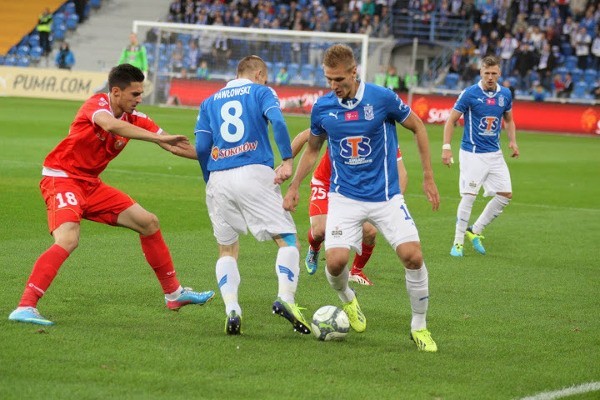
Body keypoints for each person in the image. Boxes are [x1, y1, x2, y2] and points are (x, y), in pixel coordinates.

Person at [7, 64, 214, 327]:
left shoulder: (136, 117)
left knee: (148, 222)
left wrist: (220, 157)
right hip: (62, 179)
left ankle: (174, 294)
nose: (139, 100)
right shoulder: (97, 105)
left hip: (90, 184)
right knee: (68, 239)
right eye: (135, 94)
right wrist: (155, 138)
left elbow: (174, 145)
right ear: (116, 92)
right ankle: (25, 306)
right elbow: (112, 126)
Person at [284, 44, 440, 352]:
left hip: (385, 197)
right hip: (344, 198)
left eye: (339, 79)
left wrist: (428, 176)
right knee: (336, 264)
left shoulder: (381, 99)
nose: (334, 86)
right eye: (329, 79)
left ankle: (419, 326)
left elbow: (418, 127)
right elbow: (313, 148)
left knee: (414, 256)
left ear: (354, 72)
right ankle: (348, 300)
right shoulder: (323, 107)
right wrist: (293, 186)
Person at [194, 55, 310, 336]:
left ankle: (232, 308)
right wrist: (287, 160)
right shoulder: (261, 91)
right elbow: (278, 122)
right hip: (254, 171)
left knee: (227, 249)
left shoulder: (210, 101)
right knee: (287, 239)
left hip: (218, 176)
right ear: (258, 74)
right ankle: (287, 298)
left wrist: (210, 178)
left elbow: (201, 146)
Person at [290, 129, 408, 286]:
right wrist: (286, 162)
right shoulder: (338, 120)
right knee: (320, 232)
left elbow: (402, 173)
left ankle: (356, 271)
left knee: (370, 231)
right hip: (326, 183)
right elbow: (304, 136)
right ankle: (314, 247)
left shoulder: (383, 133)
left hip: (356, 189)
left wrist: (395, 204)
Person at [442, 55, 519, 258]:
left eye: (494, 73)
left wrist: (512, 141)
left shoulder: (505, 95)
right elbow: (451, 121)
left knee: (505, 194)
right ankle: (457, 243)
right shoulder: (469, 94)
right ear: (481, 73)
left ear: (499, 73)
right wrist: (446, 147)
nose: (491, 77)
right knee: (469, 197)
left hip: (495, 153)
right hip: (473, 154)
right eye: (487, 73)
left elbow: (509, 120)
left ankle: (474, 230)